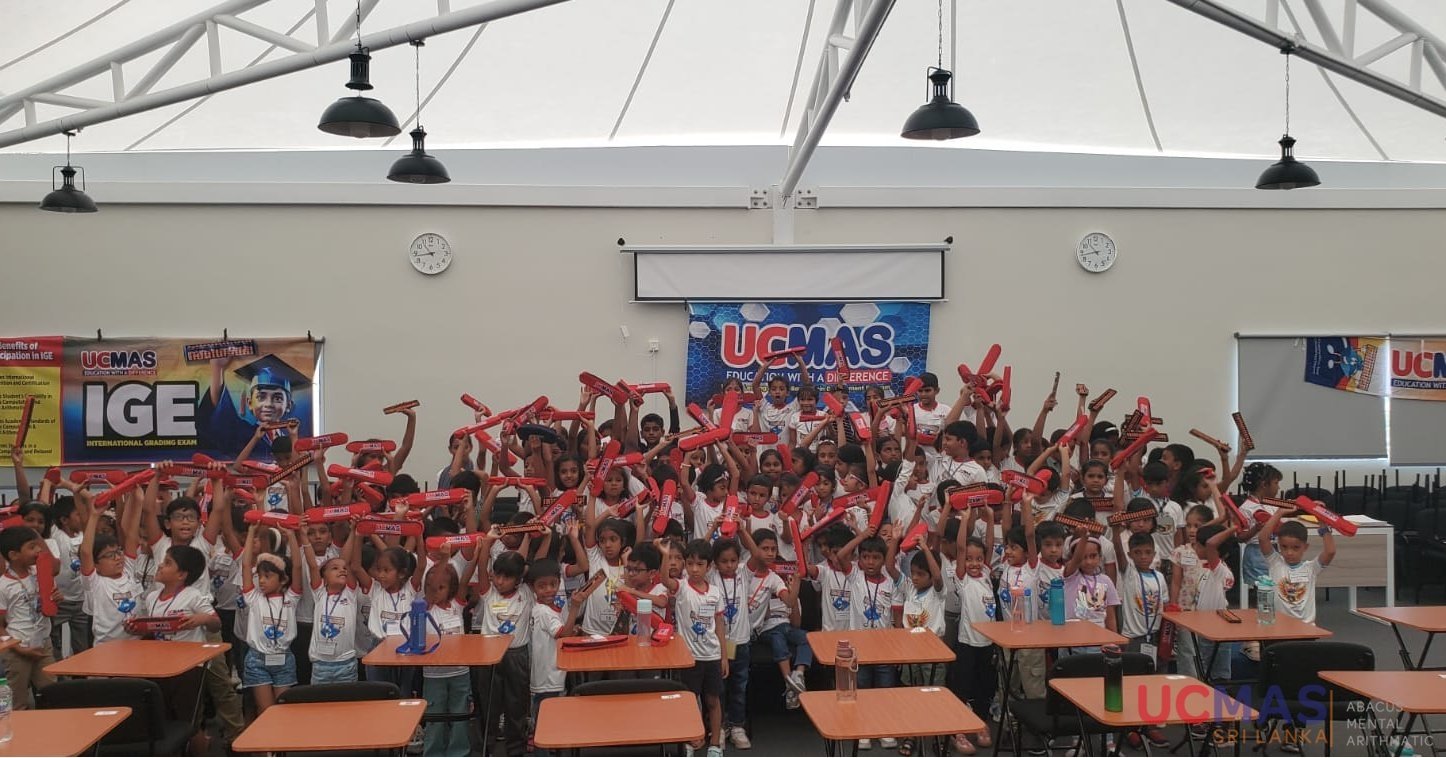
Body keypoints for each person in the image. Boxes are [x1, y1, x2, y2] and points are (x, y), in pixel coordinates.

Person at [662, 539, 729, 758]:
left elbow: (719, 626)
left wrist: (724, 657)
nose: (694, 569)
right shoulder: (681, 587)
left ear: (709, 566)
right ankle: (689, 740)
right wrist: (664, 555)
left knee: (713, 700)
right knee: (690, 701)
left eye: (700, 564)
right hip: (689, 658)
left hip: (712, 656)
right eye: (690, 564)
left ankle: (715, 743)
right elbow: (664, 579)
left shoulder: (716, 593)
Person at [472, 533, 532, 757]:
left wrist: (531, 537)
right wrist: (487, 543)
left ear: (518, 580)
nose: (499, 581)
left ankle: (516, 749)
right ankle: (486, 748)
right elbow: (481, 568)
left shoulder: (527, 593)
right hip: (489, 654)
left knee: (517, 704)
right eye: (497, 575)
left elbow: (525, 564)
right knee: (489, 704)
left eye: (506, 577)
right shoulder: (489, 593)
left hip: (516, 655)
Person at [526, 557, 593, 755]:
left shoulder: (545, 609)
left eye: (553, 584)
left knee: (545, 723)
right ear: (532, 587)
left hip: (546, 676)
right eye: (542, 586)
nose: (549, 590)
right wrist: (575, 607)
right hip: (549, 678)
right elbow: (563, 635)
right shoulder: (544, 612)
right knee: (547, 725)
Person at [421, 545, 480, 757]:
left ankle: (459, 752)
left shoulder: (457, 604)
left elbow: (465, 579)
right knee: (434, 717)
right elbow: (433, 585)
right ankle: (433, 752)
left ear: (451, 588)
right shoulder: (426, 606)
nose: (435, 591)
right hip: (434, 674)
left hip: (459, 673)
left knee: (460, 715)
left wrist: (477, 555)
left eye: (441, 587)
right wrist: (445, 559)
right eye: (431, 587)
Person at [239, 523, 303, 714]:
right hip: (257, 660)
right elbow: (245, 564)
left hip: (283, 658)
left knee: (283, 711)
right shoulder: (254, 598)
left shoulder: (290, 598)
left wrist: (291, 535)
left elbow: (298, 566)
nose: (261, 581)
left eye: (267, 576)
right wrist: (251, 531)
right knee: (266, 711)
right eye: (259, 576)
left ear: (283, 579)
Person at [197, 354, 311, 459]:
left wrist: (293, 436)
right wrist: (217, 368)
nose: (268, 404)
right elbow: (223, 415)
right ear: (250, 403)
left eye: (277, 398)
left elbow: (296, 467)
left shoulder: (289, 439)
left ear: (289, 405)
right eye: (261, 397)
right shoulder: (241, 433)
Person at [951, 505, 996, 755]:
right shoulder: (963, 578)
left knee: (984, 688)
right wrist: (965, 521)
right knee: (963, 687)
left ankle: (981, 724)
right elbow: (960, 548)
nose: (974, 563)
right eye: (969, 559)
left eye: (978, 559)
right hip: (967, 643)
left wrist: (990, 518)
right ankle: (958, 730)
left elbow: (989, 544)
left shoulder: (986, 573)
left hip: (987, 643)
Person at [0, 526, 59, 709]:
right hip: (17, 649)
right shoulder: (4, 585)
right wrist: (18, 649)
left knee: (52, 694)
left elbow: (50, 600)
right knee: (17, 700)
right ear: (14, 555)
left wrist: (56, 597)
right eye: (32, 547)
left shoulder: (40, 573)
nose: (38, 550)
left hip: (43, 644)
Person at [301, 521, 361, 684]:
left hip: (346, 664)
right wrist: (303, 536)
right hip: (320, 665)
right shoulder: (319, 593)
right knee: (320, 701)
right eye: (334, 568)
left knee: (346, 701)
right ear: (324, 576)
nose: (341, 570)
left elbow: (345, 561)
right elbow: (313, 565)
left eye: (343, 569)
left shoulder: (350, 593)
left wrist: (353, 531)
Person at [1258, 507, 1334, 624]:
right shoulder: (1275, 562)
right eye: (1284, 547)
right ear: (1279, 545)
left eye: (1296, 548)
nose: (1289, 552)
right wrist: (1279, 513)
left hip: (1306, 627)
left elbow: (1330, 551)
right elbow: (1263, 538)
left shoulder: (1311, 568)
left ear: (1305, 547)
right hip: (1280, 626)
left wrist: (1321, 521)